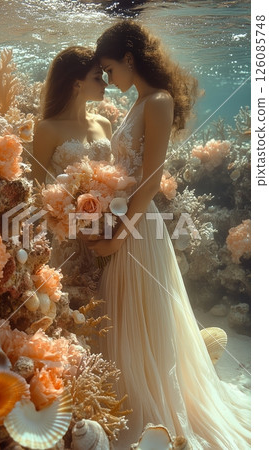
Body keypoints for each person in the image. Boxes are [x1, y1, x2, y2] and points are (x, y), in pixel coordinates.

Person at [87, 20, 251, 449]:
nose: (108, 79)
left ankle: (157, 417)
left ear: (128, 57)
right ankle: (124, 399)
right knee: (126, 315)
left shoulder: (156, 101)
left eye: (108, 68)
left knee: (145, 318)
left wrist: (116, 237)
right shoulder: (138, 102)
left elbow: (151, 181)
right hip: (128, 224)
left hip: (139, 230)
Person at [32, 46, 112, 272]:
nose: (106, 84)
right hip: (67, 236)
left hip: (107, 231)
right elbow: (36, 190)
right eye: (98, 78)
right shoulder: (48, 128)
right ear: (77, 84)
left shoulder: (104, 124)